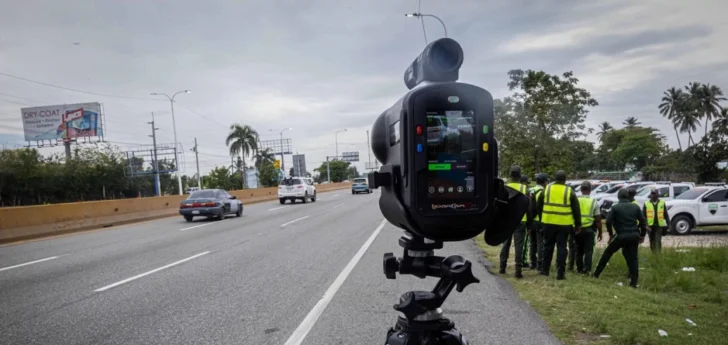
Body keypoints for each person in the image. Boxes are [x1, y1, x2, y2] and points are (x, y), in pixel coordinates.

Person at [593, 188, 647, 288]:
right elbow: (643, 223)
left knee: (608, 253)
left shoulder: (615, 207)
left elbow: (608, 221)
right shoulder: (635, 207)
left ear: (618, 197)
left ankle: (596, 274)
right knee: (633, 258)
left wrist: (610, 234)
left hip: (621, 236)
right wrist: (642, 235)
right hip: (634, 236)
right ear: (628, 196)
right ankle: (633, 282)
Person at [537, 170, 581, 280]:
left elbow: (539, 204)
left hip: (548, 222)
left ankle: (545, 270)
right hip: (564, 224)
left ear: (554, 179)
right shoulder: (569, 191)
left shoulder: (547, 189)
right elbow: (576, 209)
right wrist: (578, 224)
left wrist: (542, 217)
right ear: (565, 179)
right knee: (562, 248)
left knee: (548, 246)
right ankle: (560, 273)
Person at [499, 166, 532, 279]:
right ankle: (518, 271)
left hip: (506, 220)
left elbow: (500, 206)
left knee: (505, 244)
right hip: (520, 221)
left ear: (510, 175)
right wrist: (529, 225)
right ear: (519, 176)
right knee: (519, 246)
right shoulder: (525, 189)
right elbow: (529, 209)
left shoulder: (504, 188)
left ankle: (502, 267)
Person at [574, 181, 603, 274]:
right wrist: (600, 232)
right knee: (588, 251)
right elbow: (598, 219)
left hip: (577, 229)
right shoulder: (594, 202)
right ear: (590, 190)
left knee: (578, 250)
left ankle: (579, 269)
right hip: (589, 229)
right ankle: (587, 270)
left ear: (581, 190)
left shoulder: (576, 200)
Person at [528, 173, 548, 271]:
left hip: (531, 220)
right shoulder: (542, 192)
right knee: (540, 243)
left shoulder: (530, 190)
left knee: (532, 242)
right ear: (545, 182)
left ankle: (532, 263)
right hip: (539, 220)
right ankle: (540, 264)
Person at [643, 189, 669, 253]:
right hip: (650, 226)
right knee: (651, 241)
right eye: (652, 193)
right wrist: (646, 226)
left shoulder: (662, 203)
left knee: (658, 240)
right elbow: (643, 216)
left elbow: (665, 214)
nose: (653, 195)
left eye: (654, 194)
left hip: (659, 225)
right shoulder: (646, 203)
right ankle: (653, 253)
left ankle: (658, 254)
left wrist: (668, 224)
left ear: (657, 195)